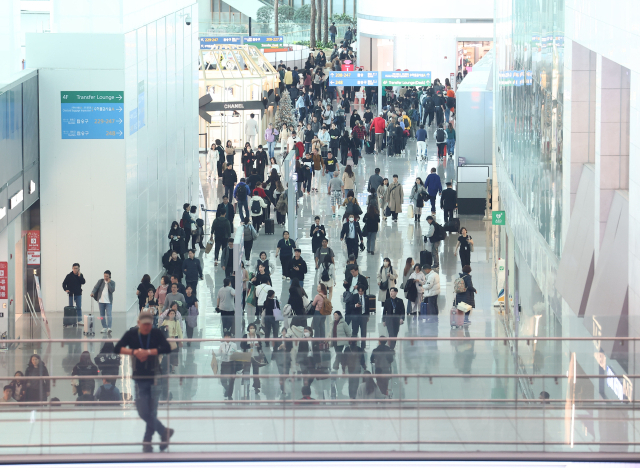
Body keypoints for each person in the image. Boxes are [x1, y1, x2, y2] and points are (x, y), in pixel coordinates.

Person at [115, 310, 173, 452]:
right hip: (139, 378)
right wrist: (135, 352)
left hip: (154, 378)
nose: (147, 327)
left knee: (151, 411)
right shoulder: (132, 334)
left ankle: (147, 441)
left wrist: (148, 352)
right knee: (143, 411)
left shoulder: (156, 334)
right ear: (138, 323)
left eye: (149, 324)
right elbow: (117, 348)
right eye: (144, 324)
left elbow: (167, 348)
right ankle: (163, 431)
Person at [241, 323, 262, 394]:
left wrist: (258, 345)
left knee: (256, 372)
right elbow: (242, 345)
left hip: (256, 356)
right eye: (251, 328)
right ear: (248, 329)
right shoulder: (245, 336)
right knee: (246, 371)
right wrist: (249, 345)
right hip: (247, 355)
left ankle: (256, 387)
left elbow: (260, 346)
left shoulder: (257, 336)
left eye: (253, 328)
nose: (252, 329)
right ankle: (246, 386)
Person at [272, 327, 292, 398]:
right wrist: (279, 348)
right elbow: (275, 349)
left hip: (287, 358)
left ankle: (283, 384)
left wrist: (285, 348)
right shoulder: (278, 339)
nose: (284, 332)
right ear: (281, 332)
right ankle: (282, 388)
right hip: (279, 358)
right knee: (281, 372)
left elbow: (290, 348)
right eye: (283, 331)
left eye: (285, 331)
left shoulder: (288, 340)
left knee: (286, 373)